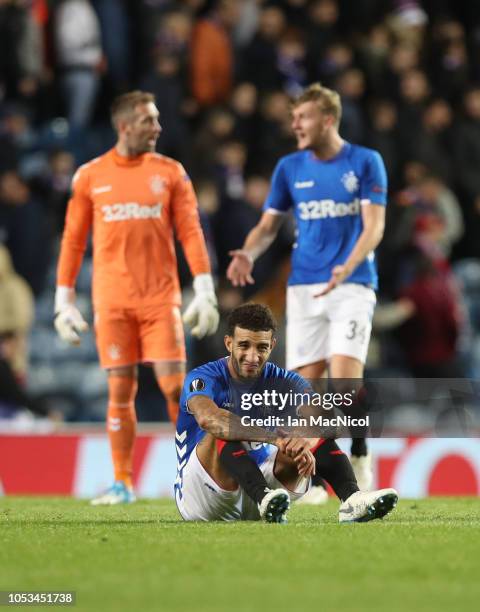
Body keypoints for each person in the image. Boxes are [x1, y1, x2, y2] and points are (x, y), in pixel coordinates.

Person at [54, 90, 219, 505]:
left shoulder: (170, 172)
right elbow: (73, 241)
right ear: (124, 125)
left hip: (160, 301)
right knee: (119, 392)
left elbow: (191, 232)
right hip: (111, 302)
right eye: (149, 120)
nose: (158, 127)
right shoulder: (90, 176)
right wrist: (63, 300)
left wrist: (204, 288)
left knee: (172, 389)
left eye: (157, 119)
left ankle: (191, 478)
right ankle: (122, 483)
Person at [227, 83, 388, 500]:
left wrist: (348, 266)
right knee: (304, 389)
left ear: (328, 120)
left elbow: (374, 227)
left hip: (352, 284)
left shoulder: (366, 162)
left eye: (304, 117)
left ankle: (360, 449)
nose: (295, 124)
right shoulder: (289, 168)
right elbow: (268, 226)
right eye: (294, 117)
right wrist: (247, 252)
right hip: (304, 288)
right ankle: (313, 475)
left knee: (345, 385)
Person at [174, 302, 398, 523]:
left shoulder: (286, 381)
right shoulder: (203, 377)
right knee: (222, 426)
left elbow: (334, 426)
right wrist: (276, 439)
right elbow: (209, 419)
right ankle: (263, 497)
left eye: (261, 348)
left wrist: (303, 437)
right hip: (203, 494)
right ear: (228, 343)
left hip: (267, 489)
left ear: (271, 345)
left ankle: (352, 499)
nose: (252, 357)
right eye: (244, 346)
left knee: (311, 431)